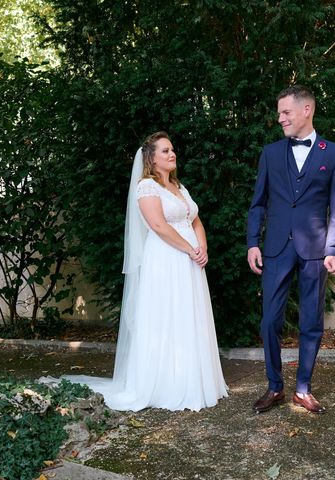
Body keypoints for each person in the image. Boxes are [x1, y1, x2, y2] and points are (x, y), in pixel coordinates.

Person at [60, 131, 228, 411]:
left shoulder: (179, 187)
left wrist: (202, 247)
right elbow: (159, 226)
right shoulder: (146, 188)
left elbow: (195, 219)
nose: (172, 154)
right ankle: (167, 384)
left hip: (189, 258)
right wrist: (189, 249)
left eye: (172, 149)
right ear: (151, 158)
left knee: (189, 314)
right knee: (167, 315)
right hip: (166, 258)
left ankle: (194, 378)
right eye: (165, 151)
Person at [246, 85, 335, 414]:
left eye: (286, 112)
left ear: (307, 110)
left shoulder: (333, 154)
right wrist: (252, 243)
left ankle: (303, 388)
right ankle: (275, 386)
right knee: (269, 321)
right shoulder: (270, 153)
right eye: (279, 114)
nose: (280, 119)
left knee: (311, 322)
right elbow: (257, 203)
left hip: (315, 251)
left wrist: (333, 249)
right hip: (275, 248)